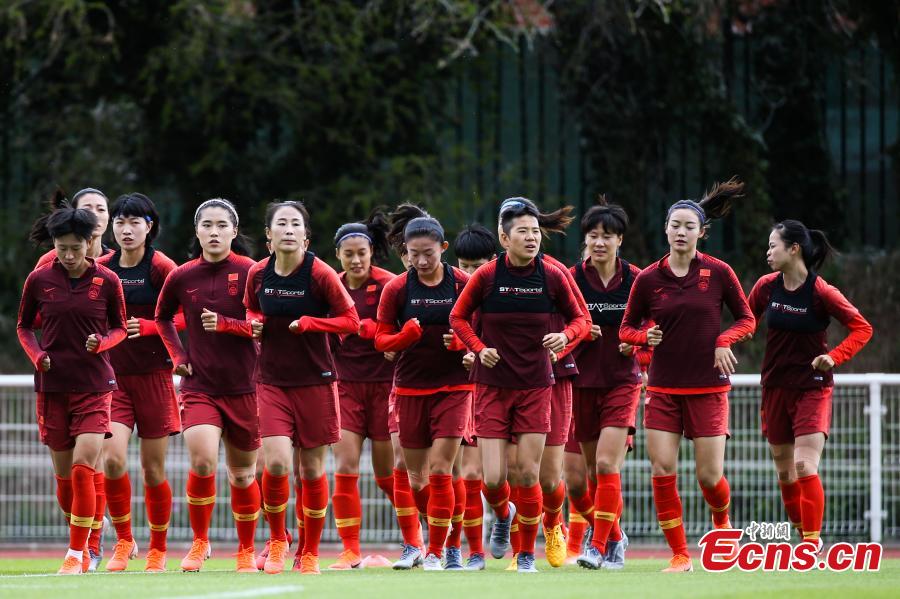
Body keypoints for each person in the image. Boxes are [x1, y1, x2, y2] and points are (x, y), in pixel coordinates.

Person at [619, 178, 755, 572]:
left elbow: (746, 319)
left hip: (709, 389)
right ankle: (680, 555)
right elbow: (626, 330)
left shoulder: (719, 272)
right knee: (662, 470)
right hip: (661, 389)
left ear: (701, 232)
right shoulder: (648, 279)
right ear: (665, 229)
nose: (681, 232)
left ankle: (721, 522)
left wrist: (724, 340)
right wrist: (645, 336)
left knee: (710, 477)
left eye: (688, 226)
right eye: (674, 225)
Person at [449, 199, 589, 573]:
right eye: (523, 231)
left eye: (535, 231)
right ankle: (504, 512)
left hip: (539, 386)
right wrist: (478, 349)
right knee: (493, 479)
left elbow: (582, 320)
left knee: (533, 475)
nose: (531, 238)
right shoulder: (487, 276)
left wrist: (565, 336)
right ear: (503, 237)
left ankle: (527, 552)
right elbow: (458, 317)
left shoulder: (554, 274)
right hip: (492, 387)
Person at [246, 200, 360, 575]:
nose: (289, 229)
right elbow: (250, 309)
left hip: (316, 381)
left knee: (311, 472)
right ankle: (278, 539)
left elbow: (350, 321)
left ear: (306, 235)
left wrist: (311, 322)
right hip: (272, 381)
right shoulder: (258, 274)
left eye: (296, 223)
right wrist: (255, 321)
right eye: (282, 223)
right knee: (276, 463)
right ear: (269, 235)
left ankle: (309, 551)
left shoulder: (321, 274)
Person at [747, 220, 872, 549]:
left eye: (773, 245)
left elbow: (862, 328)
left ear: (794, 249)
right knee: (786, 474)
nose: (768, 252)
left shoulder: (821, 292)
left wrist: (834, 356)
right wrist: (722, 341)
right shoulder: (765, 286)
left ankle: (811, 545)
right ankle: (804, 536)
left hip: (813, 389)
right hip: (775, 387)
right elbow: (747, 320)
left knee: (804, 465)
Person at [18, 206, 127, 574]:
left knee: (84, 466)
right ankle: (90, 533)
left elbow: (120, 328)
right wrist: (37, 356)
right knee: (65, 479)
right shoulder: (38, 280)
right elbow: (23, 327)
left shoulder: (108, 281)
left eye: (75, 248)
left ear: (88, 243)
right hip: (53, 388)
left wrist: (103, 343)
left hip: (95, 386)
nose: (67, 255)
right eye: (61, 247)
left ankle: (77, 553)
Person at [155, 198, 261, 573]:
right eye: (207, 225)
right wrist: (179, 358)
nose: (214, 232)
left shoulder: (252, 272)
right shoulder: (181, 276)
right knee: (202, 462)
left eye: (221, 225)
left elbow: (264, 325)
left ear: (234, 231)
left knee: (243, 473)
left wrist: (237, 327)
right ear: (197, 231)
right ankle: (200, 543)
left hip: (247, 388)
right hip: (199, 387)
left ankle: (246, 549)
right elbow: (162, 318)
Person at [375, 205, 472, 571]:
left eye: (428, 254)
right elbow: (381, 340)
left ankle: (438, 551)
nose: (421, 261)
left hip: (454, 389)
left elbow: (483, 333)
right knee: (412, 477)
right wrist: (404, 336)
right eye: (413, 255)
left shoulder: (463, 284)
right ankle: (419, 542)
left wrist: (464, 346)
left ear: (443, 248)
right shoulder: (397, 288)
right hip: (410, 388)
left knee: (442, 470)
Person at [95, 193, 182, 573]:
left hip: (155, 378)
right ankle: (124, 541)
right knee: (112, 462)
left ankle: (158, 548)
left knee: (153, 469)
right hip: (113, 380)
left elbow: (185, 316)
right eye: (120, 221)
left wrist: (149, 327)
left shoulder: (161, 267)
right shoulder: (101, 267)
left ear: (150, 226)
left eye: (135, 222)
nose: (126, 229)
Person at [571, 200, 650, 570]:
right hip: (581, 383)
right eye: (592, 236)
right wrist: (578, 334)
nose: (599, 242)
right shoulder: (571, 279)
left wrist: (636, 340)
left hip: (622, 381)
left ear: (620, 239)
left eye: (606, 236)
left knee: (606, 464)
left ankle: (599, 546)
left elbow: (655, 326)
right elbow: (557, 327)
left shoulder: (638, 280)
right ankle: (615, 537)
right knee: (589, 474)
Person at [328, 208, 399, 570]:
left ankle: (421, 541)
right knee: (345, 467)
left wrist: (388, 342)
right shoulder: (330, 286)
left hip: (386, 390)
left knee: (390, 477)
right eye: (348, 253)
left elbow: (408, 334)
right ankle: (349, 550)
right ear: (338, 254)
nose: (356, 259)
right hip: (345, 388)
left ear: (372, 252)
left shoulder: (390, 285)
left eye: (362, 252)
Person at [451, 224, 498, 570]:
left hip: (487, 391)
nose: (469, 274)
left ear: (492, 262)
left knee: (481, 476)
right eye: (464, 265)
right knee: (455, 476)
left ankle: (482, 545)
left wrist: (479, 353)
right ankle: (462, 549)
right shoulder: (448, 291)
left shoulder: (501, 296)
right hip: (450, 391)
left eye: (477, 265)